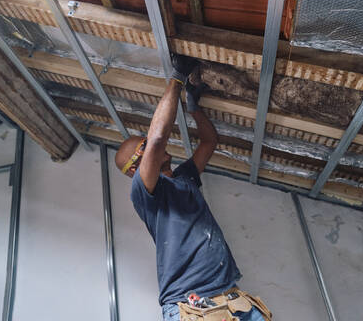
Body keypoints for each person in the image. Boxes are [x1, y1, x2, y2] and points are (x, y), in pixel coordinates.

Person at [115, 55, 272, 321]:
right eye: (141, 148)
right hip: (190, 305)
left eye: (144, 142)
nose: (151, 146)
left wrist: (193, 106)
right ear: (134, 169)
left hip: (230, 298)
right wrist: (177, 77)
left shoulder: (183, 178)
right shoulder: (145, 192)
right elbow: (156, 140)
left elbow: (209, 142)